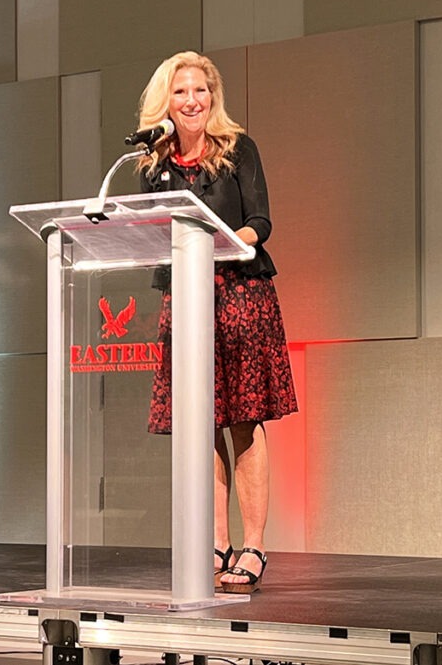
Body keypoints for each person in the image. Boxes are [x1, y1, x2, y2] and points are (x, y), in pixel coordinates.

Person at [135, 51, 299, 594]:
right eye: (181, 92)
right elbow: (147, 234)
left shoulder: (237, 149)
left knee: (243, 419)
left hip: (239, 295)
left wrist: (222, 245)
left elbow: (260, 222)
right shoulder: (152, 164)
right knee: (199, 422)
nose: (192, 101)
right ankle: (214, 541)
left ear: (213, 98)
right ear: (166, 101)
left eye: (201, 91)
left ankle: (252, 545)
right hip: (185, 299)